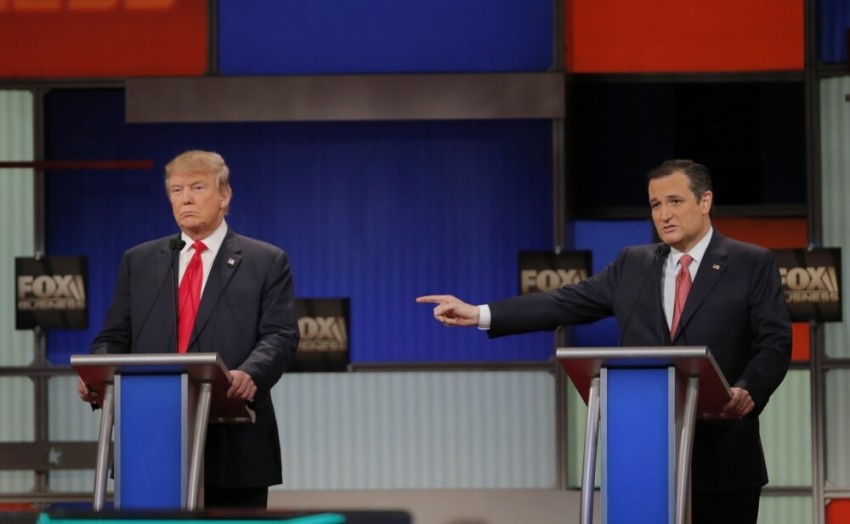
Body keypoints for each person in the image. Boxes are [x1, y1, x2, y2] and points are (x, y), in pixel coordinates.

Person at [417, 159, 791, 524]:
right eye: (656, 205)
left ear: (705, 201)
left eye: (675, 202)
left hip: (723, 459)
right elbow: (563, 302)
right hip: (643, 461)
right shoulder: (634, 263)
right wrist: (481, 313)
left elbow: (774, 342)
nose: (664, 215)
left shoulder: (750, 263)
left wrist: (747, 389)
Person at [77, 150, 300, 509]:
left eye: (197, 187)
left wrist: (250, 374)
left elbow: (280, 335)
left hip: (233, 442)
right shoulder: (140, 261)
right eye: (177, 190)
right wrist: (97, 376)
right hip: (150, 443)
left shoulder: (265, 261)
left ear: (224, 195)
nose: (186, 199)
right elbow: (112, 338)